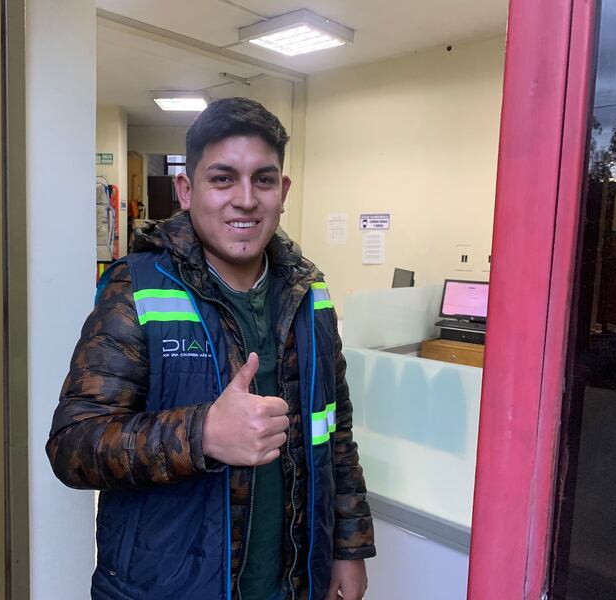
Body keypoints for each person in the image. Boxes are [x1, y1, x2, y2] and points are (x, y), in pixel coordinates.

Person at [47, 97, 375, 600]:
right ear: (186, 188)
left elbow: (336, 435)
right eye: (222, 178)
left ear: (282, 191)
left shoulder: (310, 294)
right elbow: (74, 445)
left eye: (263, 180)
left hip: (292, 582)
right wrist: (202, 433)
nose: (245, 199)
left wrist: (348, 550)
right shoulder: (137, 289)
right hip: (167, 587)